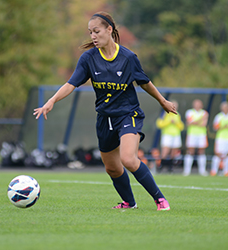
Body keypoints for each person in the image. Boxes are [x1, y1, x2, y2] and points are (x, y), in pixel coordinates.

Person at [33, 12, 177, 210]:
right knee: (112, 167)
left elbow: (145, 83)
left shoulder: (128, 58)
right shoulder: (88, 58)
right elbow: (71, 84)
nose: (93, 36)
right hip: (104, 119)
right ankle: (129, 203)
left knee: (128, 158)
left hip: (128, 114)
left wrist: (162, 101)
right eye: (90, 32)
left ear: (109, 30)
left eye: (97, 31)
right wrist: (51, 101)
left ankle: (160, 199)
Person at [156, 100, 184, 172]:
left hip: (176, 135)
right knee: (165, 151)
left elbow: (181, 126)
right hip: (167, 134)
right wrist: (169, 122)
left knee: (174, 152)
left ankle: (170, 167)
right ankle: (160, 166)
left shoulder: (178, 115)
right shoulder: (165, 114)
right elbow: (159, 124)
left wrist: (176, 122)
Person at [183, 99, 209, 176]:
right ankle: (187, 171)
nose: (197, 105)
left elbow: (203, 124)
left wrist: (194, 122)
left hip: (201, 134)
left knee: (201, 151)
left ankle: (202, 171)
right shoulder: (189, 112)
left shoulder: (204, 113)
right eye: (196, 104)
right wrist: (200, 120)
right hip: (192, 134)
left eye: (199, 104)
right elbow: (189, 122)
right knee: (190, 151)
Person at [210, 101, 228, 176]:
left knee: (226, 155)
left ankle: (226, 171)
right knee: (218, 154)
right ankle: (214, 171)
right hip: (220, 138)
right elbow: (215, 127)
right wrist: (223, 126)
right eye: (224, 107)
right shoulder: (219, 116)